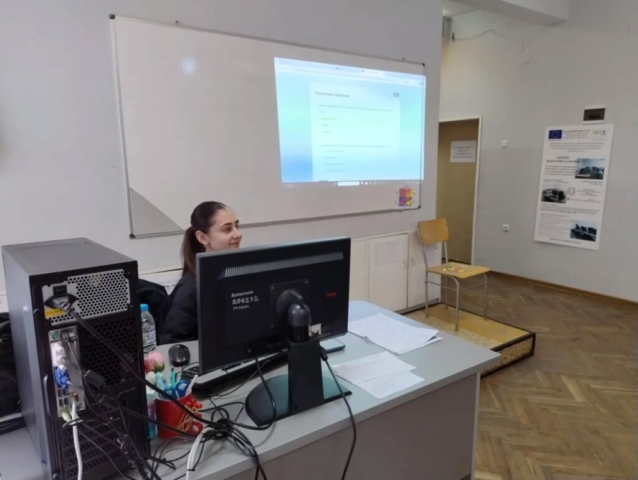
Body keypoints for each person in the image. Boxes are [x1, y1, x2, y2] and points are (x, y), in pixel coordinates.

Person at [159, 201, 242, 343]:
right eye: (227, 229)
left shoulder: (239, 274)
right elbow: (173, 342)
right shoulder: (189, 289)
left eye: (237, 226)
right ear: (203, 237)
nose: (238, 234)